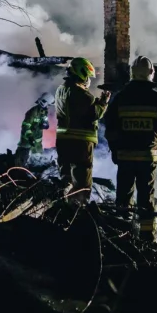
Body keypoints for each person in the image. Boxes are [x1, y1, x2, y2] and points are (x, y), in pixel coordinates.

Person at [103, 56, 157, 241]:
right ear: (151, 73)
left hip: (125, 157)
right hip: (147, 157)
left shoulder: (121, 97)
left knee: (123, 197)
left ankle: (122, 235)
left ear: (132, 73)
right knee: (146, 199)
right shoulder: (156, 97)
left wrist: (115, 150)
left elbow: (109, 126)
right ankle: (147, 238)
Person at [55, 57, 109, 205]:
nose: (88, 81)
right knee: (82, 178)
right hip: (80, 143)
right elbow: (93, 114)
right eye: (88, 76)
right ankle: (79, 210)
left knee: (66, 178)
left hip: (63, 140)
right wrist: (103, 103)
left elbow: (78, 111)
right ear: (82, 73)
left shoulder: (61, 90)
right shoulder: (82, 94)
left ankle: (62, 207)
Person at [16, 92, 54, 167]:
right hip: (26, 142)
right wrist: (30, 137)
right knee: (21, 160)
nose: (49, 106)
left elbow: (44, 121)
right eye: (48, 104)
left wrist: (45, 125)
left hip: (37, 143)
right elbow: (25, 126)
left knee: (38, 160)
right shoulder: (32, 112)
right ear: (44, 102)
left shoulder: (44, 111)